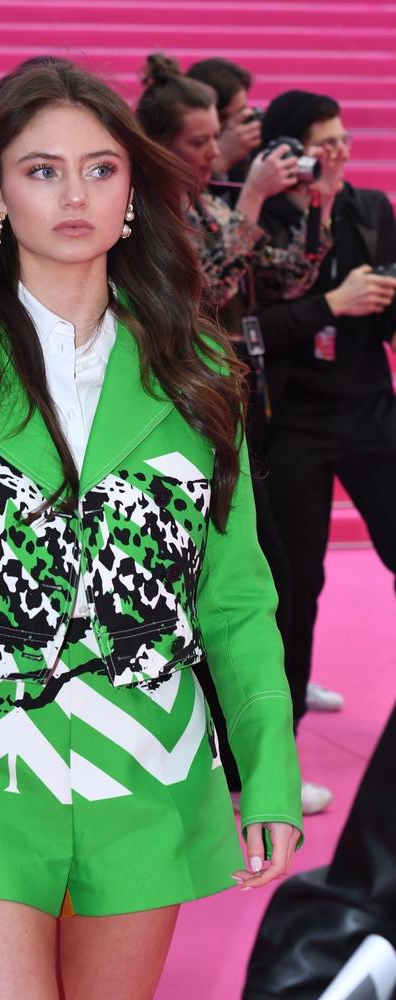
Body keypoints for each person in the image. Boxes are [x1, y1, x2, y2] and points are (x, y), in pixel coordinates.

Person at [0, 59, 302, 999]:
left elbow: (236, 596)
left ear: (134, 191)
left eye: (100, 168)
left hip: (147, 762)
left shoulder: (199, 371)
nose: (74, 194)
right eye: (41, 169)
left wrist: (271, 774)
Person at [136, 54, 335, 816]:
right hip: (175, 421)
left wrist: (312, 204)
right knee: (217, 596)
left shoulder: (212, 202)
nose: (216, 150)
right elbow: (201, 291)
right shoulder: (152, 212)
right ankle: (233, 765)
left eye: (216, 135)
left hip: (228, 413)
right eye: (199, 139)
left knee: (257, 590)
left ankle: (250, 760)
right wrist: (251, 197)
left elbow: (285, 276)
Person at [257, 90, 396, 733]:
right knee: (297, 578)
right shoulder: (259, 223)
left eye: (343, 138)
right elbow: (249, 328)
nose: (339, 153)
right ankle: (282, 729)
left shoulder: (370, 208)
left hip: (370, 409)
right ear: (288, 155)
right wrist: (334, 303)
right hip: (293, 420)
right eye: (325, 143)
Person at [186, 57, 260, 182]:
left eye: (241, 112)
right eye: (223, 117)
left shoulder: (245, 149)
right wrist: (220, 163)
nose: (236, 127)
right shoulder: (183, 151)